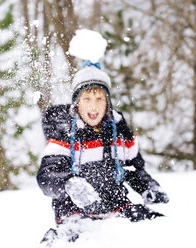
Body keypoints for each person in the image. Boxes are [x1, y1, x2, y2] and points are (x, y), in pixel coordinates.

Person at [37, 62, 169, 246]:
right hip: (75, 213)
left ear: (108, 102)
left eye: (99, 98)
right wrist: (69, 183)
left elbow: (133, 169)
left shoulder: (120, 132)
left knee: (159, 225)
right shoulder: (65, 133)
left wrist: (149, 187)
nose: (93, 107)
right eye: (86, 99)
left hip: (117, 207)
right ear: (76, 103)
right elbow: (46, 176)